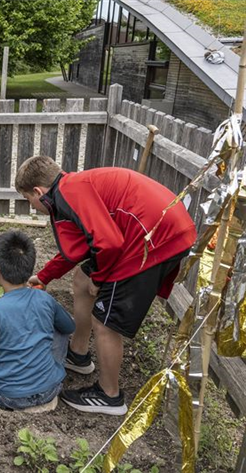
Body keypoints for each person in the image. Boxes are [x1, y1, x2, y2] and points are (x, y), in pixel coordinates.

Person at [16, 156, 196, 415]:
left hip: (151, 238)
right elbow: (79, 249)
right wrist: (45, 276)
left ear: (38, 192)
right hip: (151, 230)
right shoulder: (70, 188)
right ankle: (78, 354)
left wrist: (99, 280)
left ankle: (109, 395)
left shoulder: (70, 191)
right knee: (81, 279)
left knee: (105, 322)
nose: (32, 207)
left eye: (28, 200)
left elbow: (109, 243)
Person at [0, 231, 75, 411]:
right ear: (30, 268)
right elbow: (69, 327)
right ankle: (46, 371)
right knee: (60, 327)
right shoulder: (44, 298)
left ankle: (9, 381)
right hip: (51, 389)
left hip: (12, 398)